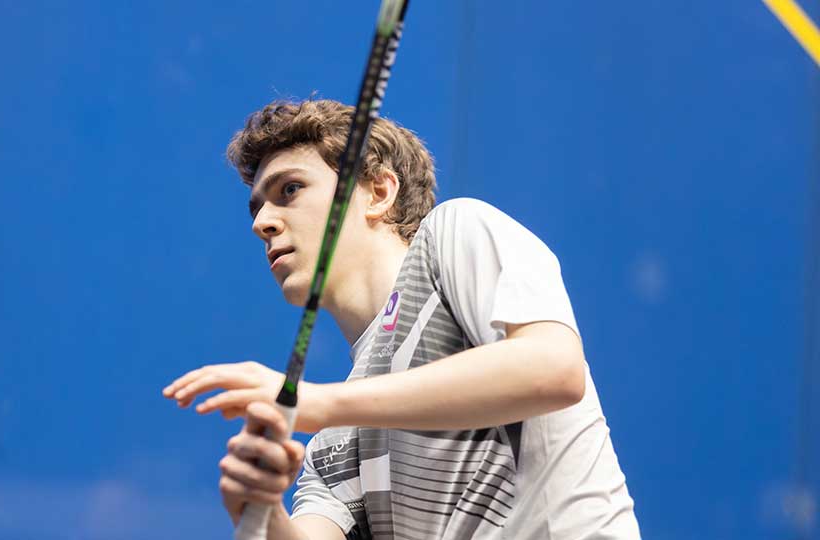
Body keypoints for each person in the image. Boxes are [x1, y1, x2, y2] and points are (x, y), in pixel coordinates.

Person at [162, 99, 641, 539]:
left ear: (378, 192)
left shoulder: (454, 234)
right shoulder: (337, 434)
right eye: (258, 206)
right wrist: (262, 509)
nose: (262, 221)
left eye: (290, 189)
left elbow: (553, 370)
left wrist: (317, 402)